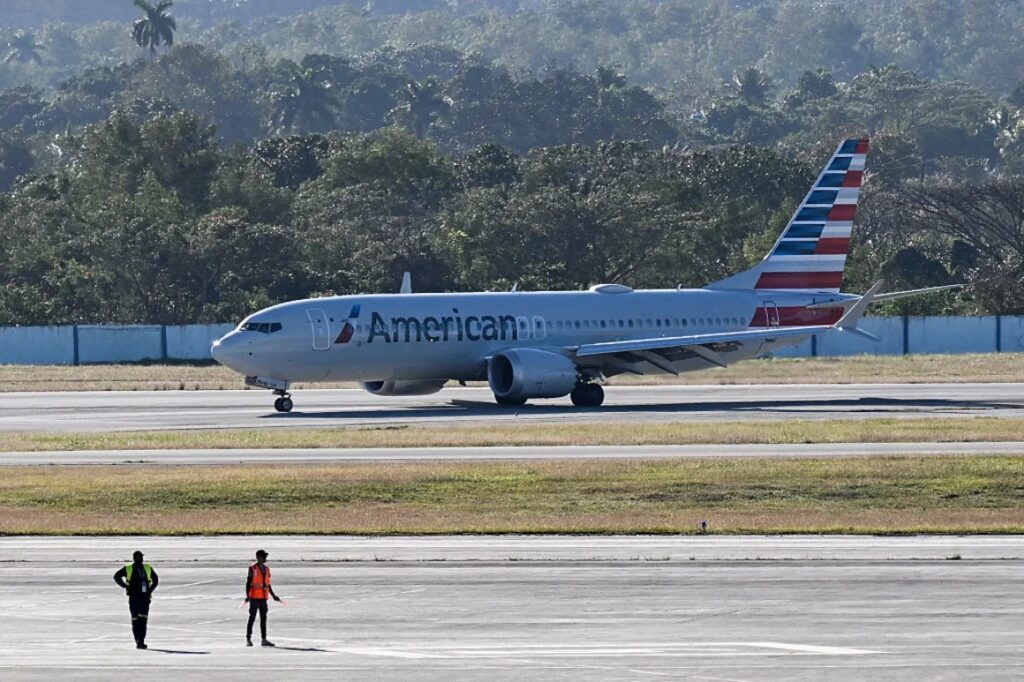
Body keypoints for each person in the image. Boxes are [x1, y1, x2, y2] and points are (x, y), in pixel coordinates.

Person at [113, 550, 158, 649]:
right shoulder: (131, 568)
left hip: (140, 598)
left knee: (138, 620)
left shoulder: (146, 568)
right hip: (139, 598)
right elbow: (116, 576)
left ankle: (139, 641)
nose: (140, 559)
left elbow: (156, 580)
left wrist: (125, 586)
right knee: (140, 620)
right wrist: (125, 586)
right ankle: (139, 640)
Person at [245, 549, 281, 647]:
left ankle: (264, 639)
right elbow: (248, 583)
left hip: (263, 598)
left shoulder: (267, 569)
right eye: (264, 556)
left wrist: (273, 595)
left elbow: (267, 584)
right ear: (258, 557)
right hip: (254, 598)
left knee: (263, 619)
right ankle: (248, 639)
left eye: (265, 556)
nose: (265, 558)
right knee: (252, 618)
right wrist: (247, 596)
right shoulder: (252, 568)